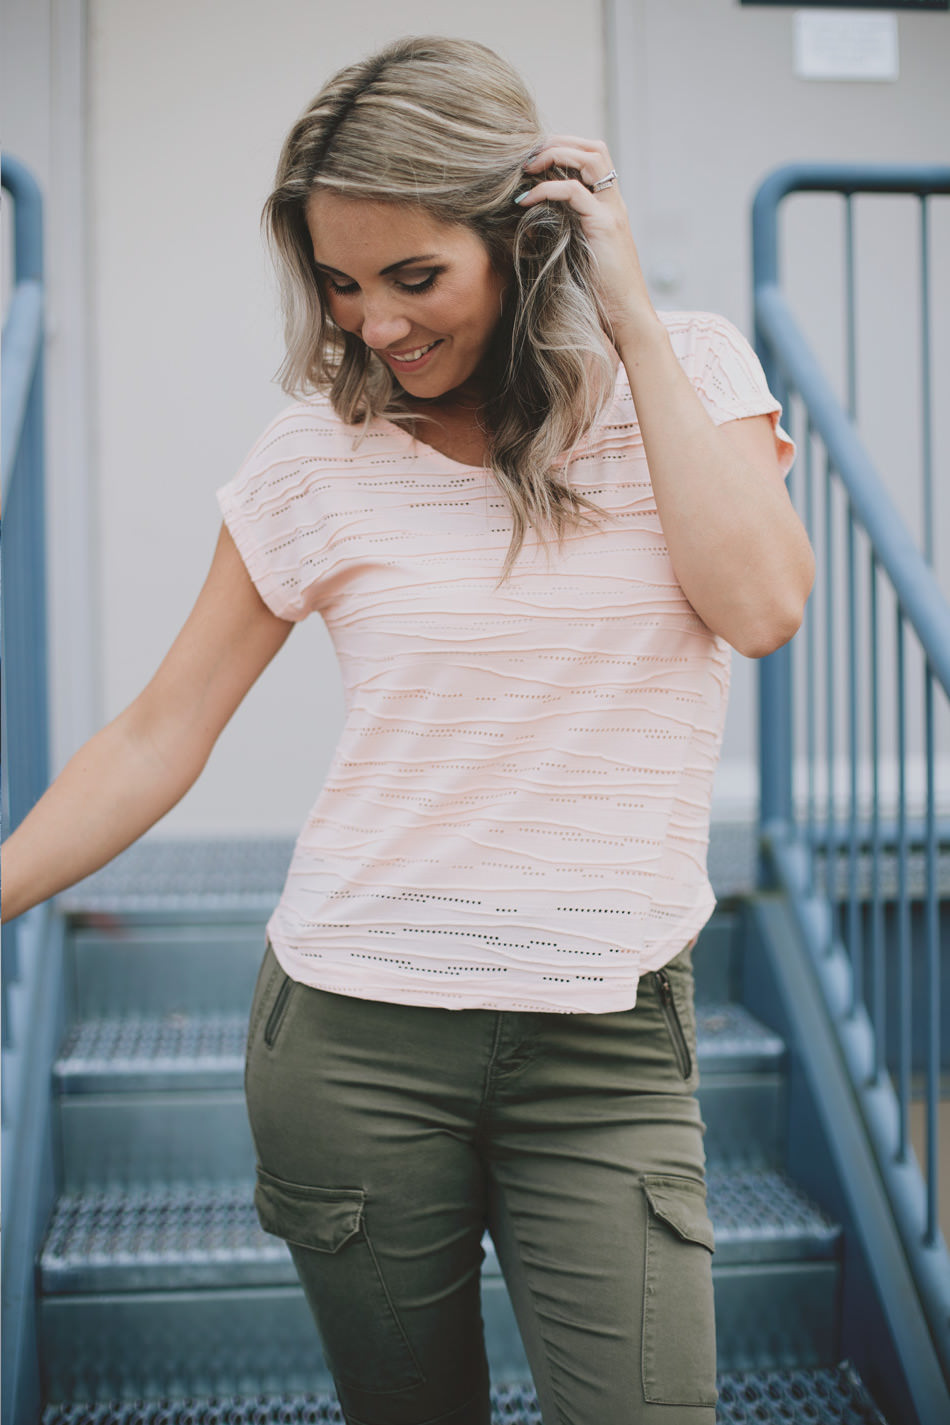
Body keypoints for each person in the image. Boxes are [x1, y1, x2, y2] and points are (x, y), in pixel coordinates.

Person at [2, 34, 812, 1425]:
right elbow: (159, 727)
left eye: (412, 276)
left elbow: (757, 604)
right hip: (352, 1039)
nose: (371, 323)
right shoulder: (316, 452)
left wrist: (624, 316)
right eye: (337, 283)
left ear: (523, 238)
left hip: (602, 1045)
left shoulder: (680, 373)